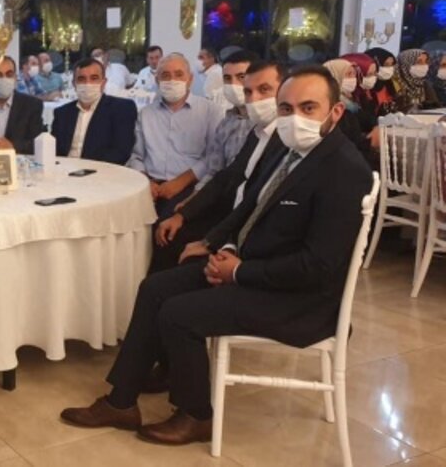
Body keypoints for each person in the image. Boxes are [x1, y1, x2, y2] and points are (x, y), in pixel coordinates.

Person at [60, 65, 373, 446]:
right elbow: (251, 205)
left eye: (308, 108)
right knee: (156, 288)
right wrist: (220, 247)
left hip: (299, 299)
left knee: (179, 314)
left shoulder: (344, 171)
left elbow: (317, 267)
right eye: (287, 109)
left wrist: (238, 273)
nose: (295, 118)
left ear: (335, 112)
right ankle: (121, 401)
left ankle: (195, 415)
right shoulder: (288, 147)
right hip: (256, 268)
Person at [151, 59, 287, 273]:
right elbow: (221, 174)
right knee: (168, 231)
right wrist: (186, 211)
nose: (253, 98)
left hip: (246, 230)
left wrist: (214, 242)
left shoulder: (285, 137)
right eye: (248, 90)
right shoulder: (249, 129)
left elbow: (255, 200)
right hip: (224, 206)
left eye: (264, 89)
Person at [127, 53, 225, 219]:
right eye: (165, 75)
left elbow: (213, 156)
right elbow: (136, 156)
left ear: (190, 79)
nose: (172, 80)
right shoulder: (146, 113)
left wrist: (180, 183)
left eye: (179, 75)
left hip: (188, 185)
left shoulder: (210, 111)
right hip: (148, 185)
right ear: (157, 80)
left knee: (167, 225)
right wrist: (145, 181)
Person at [49, 58, 137, 164]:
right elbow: (54, 151)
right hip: (64, 169)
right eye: (81, 79)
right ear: (74, 84)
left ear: (103, 82)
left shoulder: (121, 109)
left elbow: (121, 152)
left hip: (101, 170)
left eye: (94, 78)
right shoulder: (62, 113)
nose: (88, 83)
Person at [200, 50, 260, 189]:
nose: (233, 84)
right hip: (223, 193)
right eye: (227, 78)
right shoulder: (226, 123)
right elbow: (213, 172)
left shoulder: (266, 122)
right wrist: (196, 196)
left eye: (241, 77)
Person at [0, 55, 44, 154]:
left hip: (17, 161)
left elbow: (37, 143)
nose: (4, 79)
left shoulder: (32, 106)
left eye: (9, 74)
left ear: (15, 78)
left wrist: (12, 146)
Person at [323, 59, 377, 162]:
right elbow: (344, 142)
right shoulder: (331, 108)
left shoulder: (350, 100)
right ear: (334, 76)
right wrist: (369, 141)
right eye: (348, 74)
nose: (353, 79)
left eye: (354, 75)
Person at [395, 49, 439, 114]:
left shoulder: (424, 84)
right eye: (419, 62)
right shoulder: (395, 85)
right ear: (406, 64)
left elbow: (436, 109)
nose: (424, 65)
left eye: (426, 62)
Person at [364, 47, 400, 116]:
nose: (389, 69)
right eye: (386, 65)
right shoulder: (366, 86)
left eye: (392, 65)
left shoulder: (390, 85)